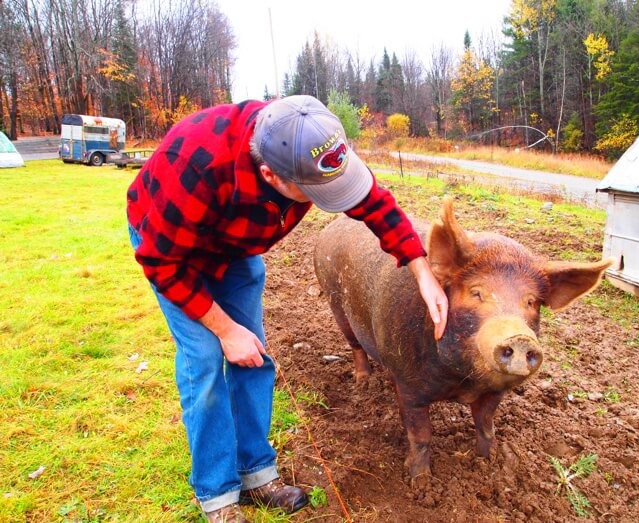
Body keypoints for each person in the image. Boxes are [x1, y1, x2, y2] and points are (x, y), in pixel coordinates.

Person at [126, 95, 449, 523]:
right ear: (269, 175)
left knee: (254, 356)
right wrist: (224, 330)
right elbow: (161, 263)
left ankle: (256, 473)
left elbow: (375, 205)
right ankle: (217, 494)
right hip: (175, 247)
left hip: (237, 244)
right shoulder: (196, 164)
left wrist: (422, 270)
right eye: (317, 193)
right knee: (204, 362)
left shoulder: (313, 146)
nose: (331, 197)